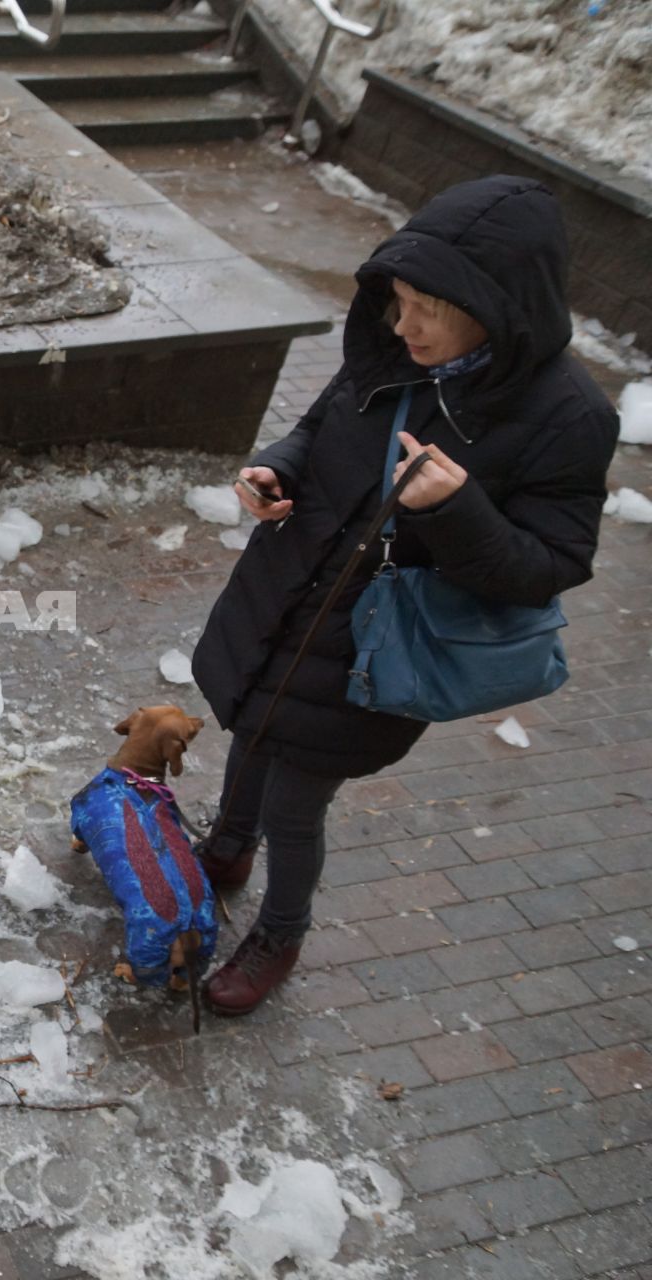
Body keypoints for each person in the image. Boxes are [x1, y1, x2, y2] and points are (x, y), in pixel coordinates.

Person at [190, 175, 620, 1016]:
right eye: (397, 298)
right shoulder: (389, 353)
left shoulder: (566, 415)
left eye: (428, 306)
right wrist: (276, 466)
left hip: (374, 645)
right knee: (250, 728)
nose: (403, 323)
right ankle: (226, 849)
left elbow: (550, 564)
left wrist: (457, 510)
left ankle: (281, 930)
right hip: (290, 594)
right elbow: (319, 427)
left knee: (297, 798)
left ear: (498, 307)